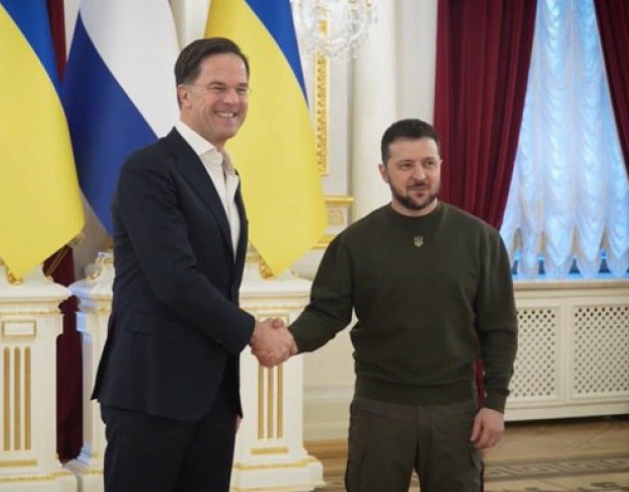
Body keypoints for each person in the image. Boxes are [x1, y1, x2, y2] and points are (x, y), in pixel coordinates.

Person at [91, 37, 295, 492]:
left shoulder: (226, 173)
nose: (232, 100)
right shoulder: (149, 169)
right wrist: (254, 331)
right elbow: (175, 280)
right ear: (184, 94)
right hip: (151, 392)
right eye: (218, 87)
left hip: (211, 398)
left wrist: (227, 396)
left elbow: (219, 286)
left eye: (241, 89)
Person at [273, 118, 518, 491]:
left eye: (429, 163)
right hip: (379, 409)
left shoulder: (481, 240)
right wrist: (289, 340)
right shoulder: (354, 243)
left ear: (440, 165)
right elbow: (326, 314)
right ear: (384, 172)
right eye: (406, 165)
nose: (419, 175)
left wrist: (495, 402)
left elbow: (499, 328)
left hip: (455, 410)